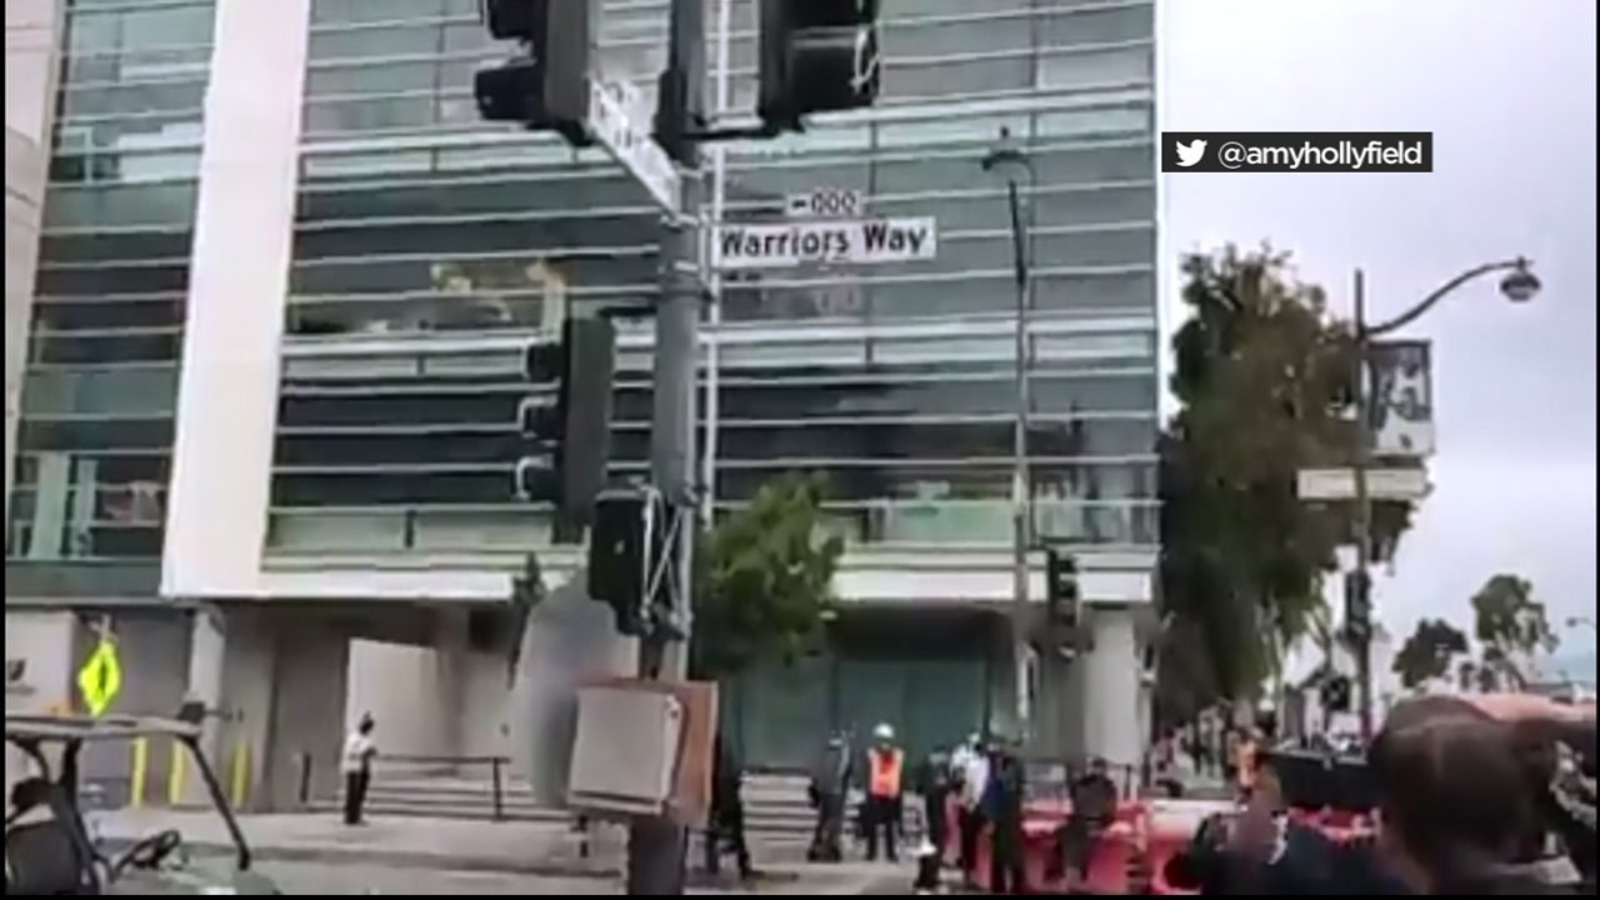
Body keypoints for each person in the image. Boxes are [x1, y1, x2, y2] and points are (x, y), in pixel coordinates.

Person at [1055, 756, 1119, 888]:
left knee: (1081, 837)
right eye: (1096, 768)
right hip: (1081, 821)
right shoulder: (1083, 784)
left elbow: (1109, 811)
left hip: (1097, 822)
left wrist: (1102, 823)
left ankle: (1073, 873)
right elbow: (1075, 803)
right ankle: (1070, 872)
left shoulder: (1108, 787)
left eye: (1100, 768)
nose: (1098, 771)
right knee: (1066, 833)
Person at [704, 737, 753, 882]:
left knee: (722, 828)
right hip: (723, 795)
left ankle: (716, 861)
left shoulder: (716, 754)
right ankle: (741, 864)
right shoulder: (723, 755)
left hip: (719, 795)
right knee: (734, 830)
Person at [984, 741, 1028, 894]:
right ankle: (1010, 885)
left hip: (1006, 816)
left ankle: (1005, 885)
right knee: (1008, 854)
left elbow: (993, 797)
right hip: (1008, 815)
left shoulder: (999, 774)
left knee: (1004, 854)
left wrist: (990, 819)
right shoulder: (1007, 771)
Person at [863, 723, 905, 863]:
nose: (884, 744)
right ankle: (872, 852)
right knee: (872, 824)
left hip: (890, 793)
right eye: (881, 740)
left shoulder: (897, 755)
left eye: (886, 740)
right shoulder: (873, 754)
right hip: (876, 792)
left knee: (890, 825)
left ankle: (890, 853)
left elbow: (900, 770)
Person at [808, 732, 852, 863]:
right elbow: (843, 768)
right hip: (836, 791)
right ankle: (830, 848)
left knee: (823, 819)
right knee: (834, 821)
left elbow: (815, 772)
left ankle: (817, 846)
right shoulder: (841, 754)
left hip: (824, 791)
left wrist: (817, 787)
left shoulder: (822, 754)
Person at [952, 733, 990, 887]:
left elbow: (965, 785)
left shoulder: (976, 764)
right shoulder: (980, 764)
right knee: (972, 844)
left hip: (973, 807)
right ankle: (972, 876)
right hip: (975, 807)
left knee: (971, 844)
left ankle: (972, 876)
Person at [915, 748, 954, 871]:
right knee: (938, 831)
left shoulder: (929, 763)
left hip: (933, 800)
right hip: (938, 802)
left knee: (935, 830)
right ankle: (936, 857)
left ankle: (934, 857)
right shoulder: (945, 763)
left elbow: (920, 785)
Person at [341, 712, 377, 825]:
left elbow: (369, 749)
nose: (368, 730)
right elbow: (350, 751)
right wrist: (363, 751)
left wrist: (371, 751)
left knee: (360, 794)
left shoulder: (366, 738)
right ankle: (350, 817)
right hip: (353, 768)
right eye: (367, 727)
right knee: (353, 794)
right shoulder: (353, 737)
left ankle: (357, 815)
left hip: (363, 768)